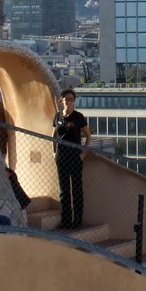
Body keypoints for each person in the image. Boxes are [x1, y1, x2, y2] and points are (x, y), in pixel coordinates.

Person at [53, 88, 91, 230]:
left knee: (76, 189)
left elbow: (88, 136)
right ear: (61, 100)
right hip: (61, 157)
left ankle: (77, 220)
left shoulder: (79, 117)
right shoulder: (57, 117)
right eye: (67, 99)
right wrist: (54, 152)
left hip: (75, 157)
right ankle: (66, 220)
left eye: (72, 99)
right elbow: (53, 136)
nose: (69, 101)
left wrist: (83, 154)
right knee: (64, 191)